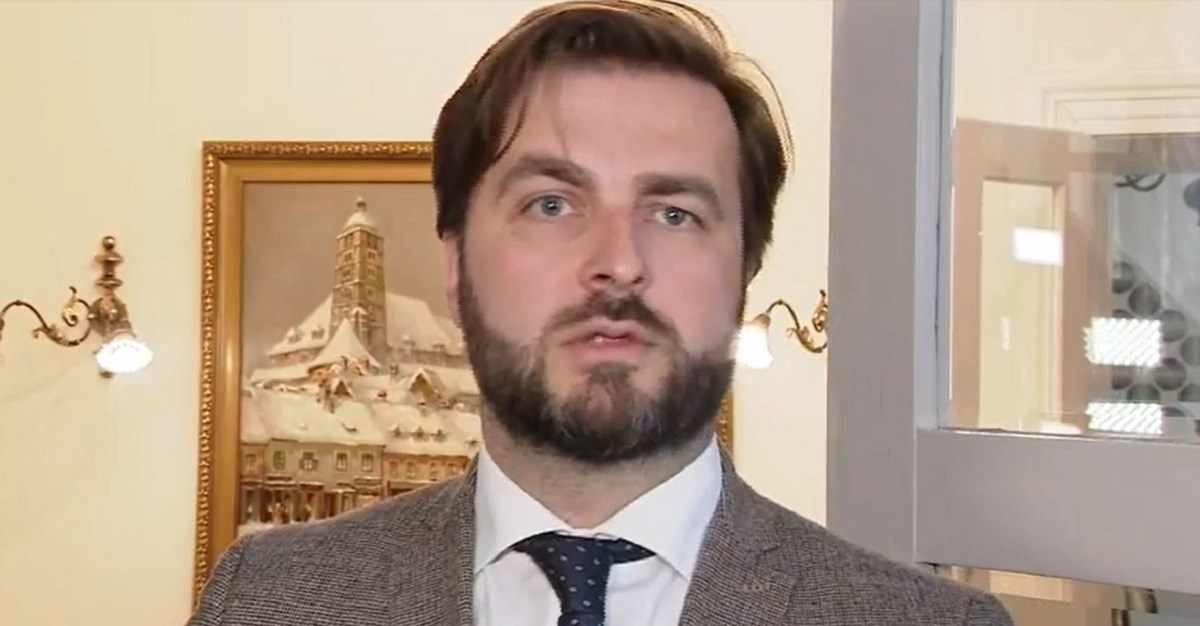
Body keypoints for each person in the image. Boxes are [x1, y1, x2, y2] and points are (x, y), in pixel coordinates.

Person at [187, 1, 1013, 625]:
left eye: (675, 212)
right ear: (455, 264)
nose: (618, 261)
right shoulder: (265, 602)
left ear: (745, 271)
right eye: (551, 204)